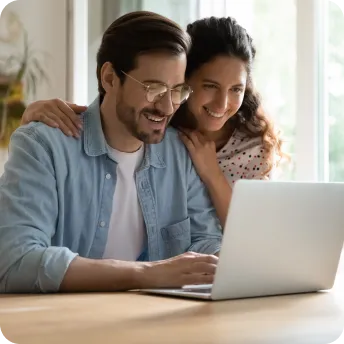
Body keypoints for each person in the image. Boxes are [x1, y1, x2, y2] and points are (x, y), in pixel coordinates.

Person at [0, 11, 222, 294]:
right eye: (153, 88)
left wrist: (228, 262)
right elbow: (15, 261)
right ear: (109, 78)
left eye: (178, 91)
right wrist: (146, 274)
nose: (168, 107)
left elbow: (205, 240)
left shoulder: (181, 152)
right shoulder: (43, 146)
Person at [22, 16, 284, 227]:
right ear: (185, 79)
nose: (222, 104)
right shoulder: (161, 125)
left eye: (236, 89)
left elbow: (255, 234)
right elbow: (115, 108)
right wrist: (34, 113)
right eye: (210, 86)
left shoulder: (252, 145)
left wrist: (212, 173)